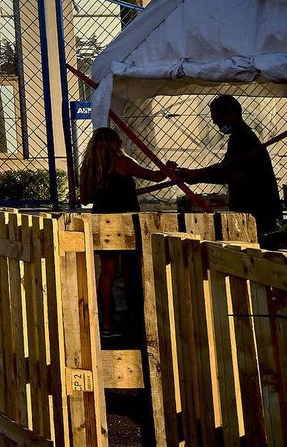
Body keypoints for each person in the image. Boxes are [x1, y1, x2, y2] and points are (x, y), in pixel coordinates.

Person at [78, 127, 165, 336]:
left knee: (107, 273)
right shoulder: (122, 162)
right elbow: (155, 176)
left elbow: (85, 199)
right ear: (114, 143)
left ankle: (106, 322)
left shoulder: (89, 167)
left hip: (102, 221)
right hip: (125, 223)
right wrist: (168, 168)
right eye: (119, 140)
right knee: (130, 272)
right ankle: (136, 320)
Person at [172, 95, 282, 234]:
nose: (214, 122)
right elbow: (227, 169)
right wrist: (195, 175)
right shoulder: (242, 137)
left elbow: (229, 172)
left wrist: (196, 175)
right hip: (257, 210)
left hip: (257, 211)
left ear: (231, 114)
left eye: (217, 117)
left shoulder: (243, 139)